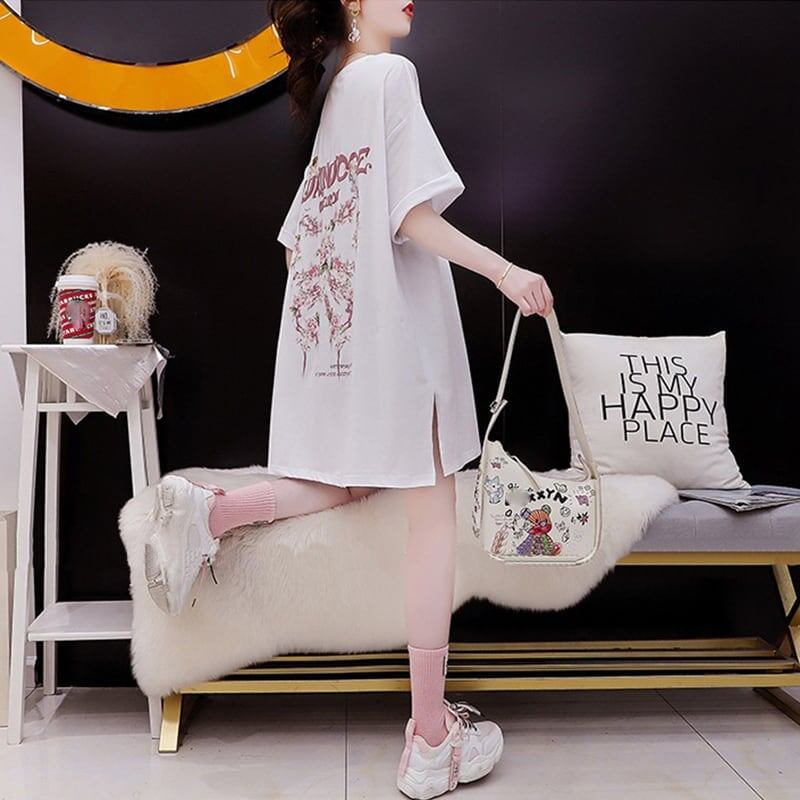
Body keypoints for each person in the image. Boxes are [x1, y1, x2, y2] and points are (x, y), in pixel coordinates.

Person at [143, 1, 554, 797]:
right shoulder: (391, 75)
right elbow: (411, 216)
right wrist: (505, 271)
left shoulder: (339, 95)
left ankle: (210, 513)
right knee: (432, 518)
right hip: (397, 340)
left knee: (355, 482)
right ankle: (430, 737)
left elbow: (299, 243)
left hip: (335, 343)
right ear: (352, 3)